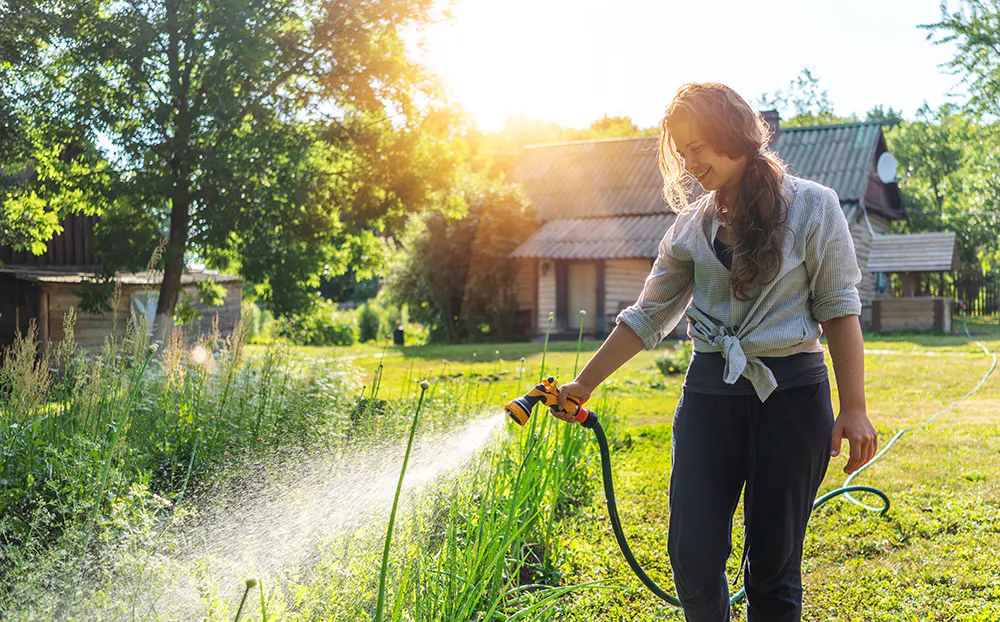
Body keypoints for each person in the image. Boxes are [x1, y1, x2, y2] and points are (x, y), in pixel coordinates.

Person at [549, 82, 878, 622]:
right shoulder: (690, 227)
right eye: (681, 152)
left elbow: (839, 311)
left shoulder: (815, 207)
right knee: (693, 553)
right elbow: (648, 314)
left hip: (792, 397)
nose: (689, 162)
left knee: (773, 563)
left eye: (698, 146)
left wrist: (855, 408)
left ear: (736, 134)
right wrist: (584, 383)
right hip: (709, 397)